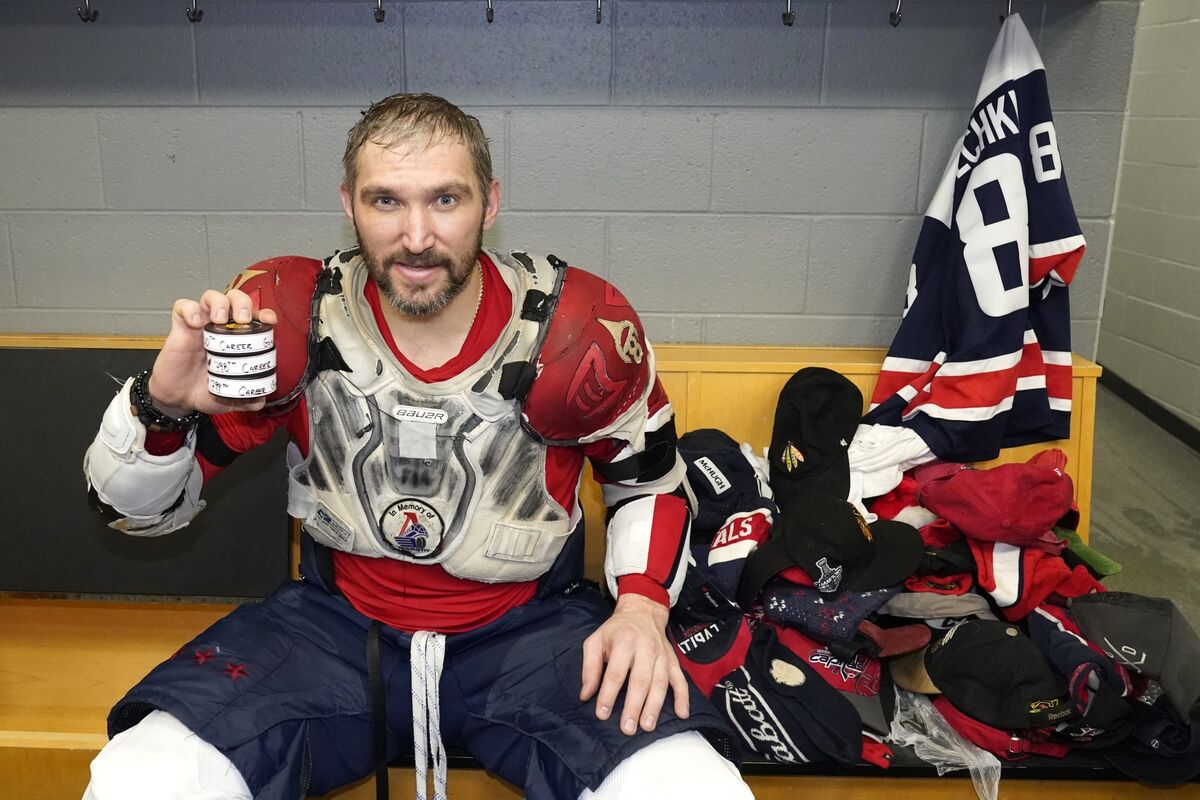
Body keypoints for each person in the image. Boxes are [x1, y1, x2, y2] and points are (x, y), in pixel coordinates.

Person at [81, 93, 752, 800]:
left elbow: (644, 484)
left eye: (445, 199)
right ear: (349, 204)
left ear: (489, 203)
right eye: (386, 202)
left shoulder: (575, 329)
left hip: (530, 636)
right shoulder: (293, 321)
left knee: (689, 789)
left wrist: (643, 610)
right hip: (333, 632)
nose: (417, 235)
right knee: (142, 777)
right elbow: (136, 514)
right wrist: (163, 406)